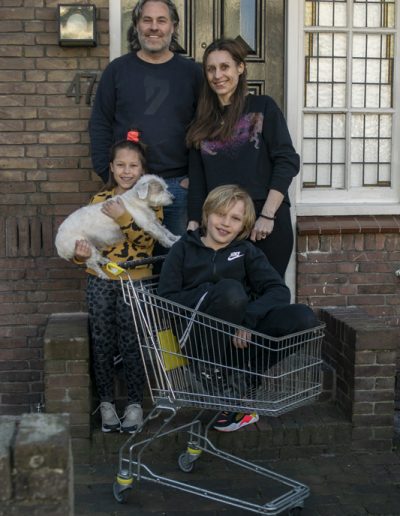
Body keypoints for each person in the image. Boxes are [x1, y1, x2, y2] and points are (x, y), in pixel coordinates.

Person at [158, 185, 319, 432]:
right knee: (231, 291)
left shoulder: (245, 252)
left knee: (304, 317)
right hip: (198, 344)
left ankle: (243, 380)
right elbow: (166, 298)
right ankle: (218, 381)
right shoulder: (183, 248)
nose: (225, 223)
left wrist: (247, 322)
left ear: (243, 226)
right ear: (207, 215)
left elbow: (278, 290)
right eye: (220, 214)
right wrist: (211, 294)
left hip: (238, 343)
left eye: (235, 218)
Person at [186, 38, 299, 277]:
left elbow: (287, 161)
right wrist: (195, 222)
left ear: (240, 68)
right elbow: (198, 181)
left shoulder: (263, 107)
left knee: (267, 299)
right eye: (211, 69)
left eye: (225, 67)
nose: (218, 75)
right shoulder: (201, 123)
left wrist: (268, 215)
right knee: (228, 300)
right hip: (221, 227)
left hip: (265, 223)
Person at [89, 0, 203, 236]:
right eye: (147, 20)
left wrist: (195, 178)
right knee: (131, 257)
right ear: (137, 26)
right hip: (128, 187)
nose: (154, 27)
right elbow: (100, 123)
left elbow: (206, 128)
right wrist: (108, 173)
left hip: (177, 188)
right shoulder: (117, 70)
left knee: (175, 261)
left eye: (161, 20)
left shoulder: (192, 73)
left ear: (172, 26)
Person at [74, 134, 162, 433]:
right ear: (111, 167)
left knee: (132, 344)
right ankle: (107, 403)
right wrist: (79, 255)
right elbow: (86, 240)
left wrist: (124, 216)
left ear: (142, 169)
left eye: (133, 165)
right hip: (100, 280)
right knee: (102, 343)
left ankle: (135, 405)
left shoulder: (152, 199)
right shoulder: (99, 200)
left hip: (135, 283)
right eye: (121, 165)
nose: (126, 171)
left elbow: (147, 239)